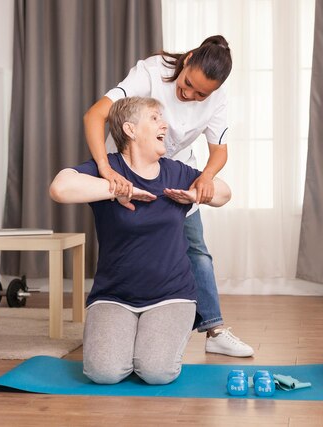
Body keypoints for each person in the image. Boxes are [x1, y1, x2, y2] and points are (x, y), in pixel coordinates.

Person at [83, 35, 253, 357]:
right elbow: (95, 115)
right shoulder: (150, 73)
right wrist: (106, 170)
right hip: (126, 171)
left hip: (173, 173)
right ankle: (120, 315)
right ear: (187, 60)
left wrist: (205, 177)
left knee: (196, 251)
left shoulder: (216, 98)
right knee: (125, 244)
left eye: (200, 94)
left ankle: (213, 328)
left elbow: (219, 150)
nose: (189, 95)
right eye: (188, 84)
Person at [50, 97, 232, 384]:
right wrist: (118, 189)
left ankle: (149, 342)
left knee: (156, 372)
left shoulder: (175, 171)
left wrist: (197, 194)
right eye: (155, 118)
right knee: (103, 373)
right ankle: (133, 340)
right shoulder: (109, 169)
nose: (165, 124)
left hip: (172, 295)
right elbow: (60, 187)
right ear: (130, 129)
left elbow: (223, 192)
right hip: (114, 295)